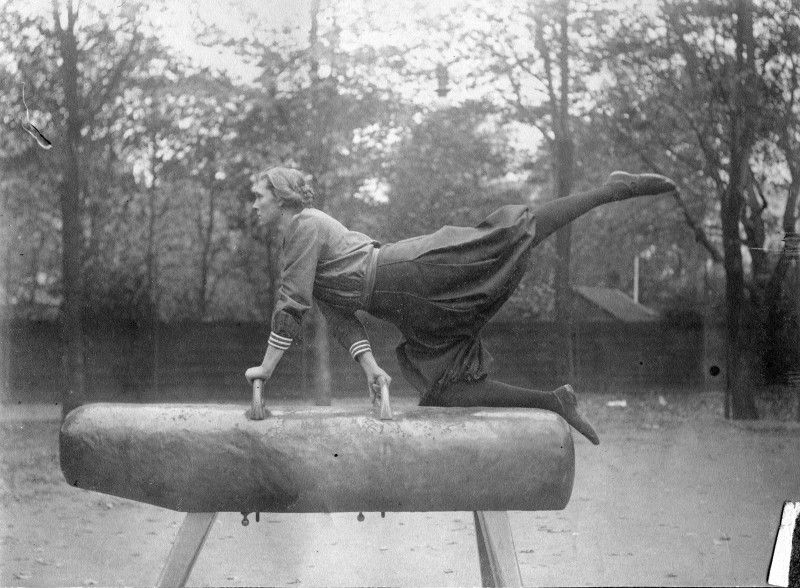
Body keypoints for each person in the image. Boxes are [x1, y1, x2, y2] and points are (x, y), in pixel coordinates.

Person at [245, 167, 677, 445]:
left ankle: (611, 189)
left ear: (281, 198)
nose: (254, 205)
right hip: (407, 307)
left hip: (410, 273)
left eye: (258, 196)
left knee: (505, 238)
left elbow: (293, 303)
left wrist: (266, 367)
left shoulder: (303, 225)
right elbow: (339, 317)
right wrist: (371, 368)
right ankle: (555, 402)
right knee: (447, 390)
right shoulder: (298, 240)